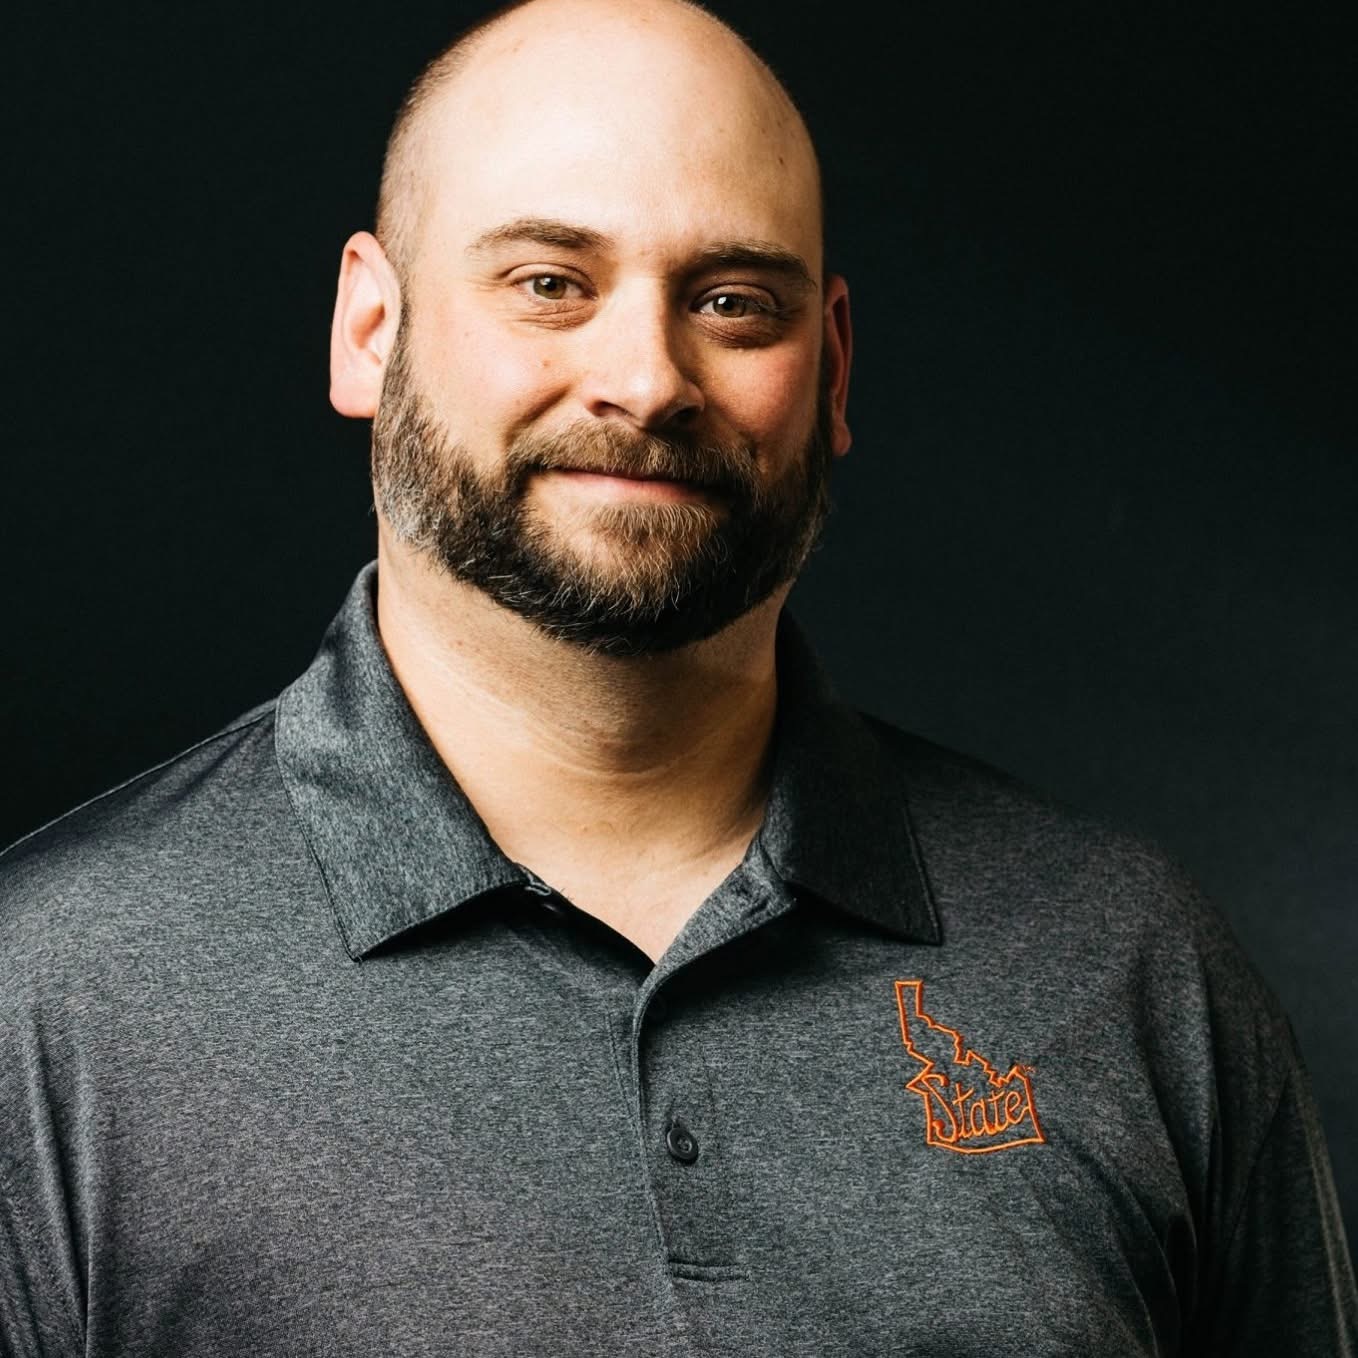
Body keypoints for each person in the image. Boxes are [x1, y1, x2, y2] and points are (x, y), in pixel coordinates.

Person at [1, 0, 1353, 1352]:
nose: (646, 381)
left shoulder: (1130, 964)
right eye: (549, 283)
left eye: (731, 304)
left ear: (832, 369)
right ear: (370, 327)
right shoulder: (46, 993)